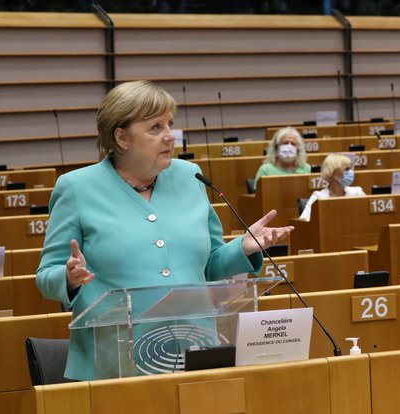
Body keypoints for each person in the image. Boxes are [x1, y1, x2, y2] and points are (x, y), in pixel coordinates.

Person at [36, 80, 293, 381]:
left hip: (196, 351)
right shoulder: (77, 188)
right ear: (122, 137)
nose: (170, 136)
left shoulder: (189, 176)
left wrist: (242, 248)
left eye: (170, 124)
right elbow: (46, 276)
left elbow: (209, 265)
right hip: (113, 364)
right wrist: (68, 278)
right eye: (155, 127)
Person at [299, 154, 366, 221]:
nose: (351, 172)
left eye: (350, 168)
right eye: (347, 169)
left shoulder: (357, 193)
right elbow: (304, 221)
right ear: (333, 174)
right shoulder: (318, 197)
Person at [253, 126, 311, 191]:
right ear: (277, 147)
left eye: (293, 144)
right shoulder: (265, 170)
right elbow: (257, 196)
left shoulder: (306, 168)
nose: (289, 147)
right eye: (285, 143)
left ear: (298, 148)